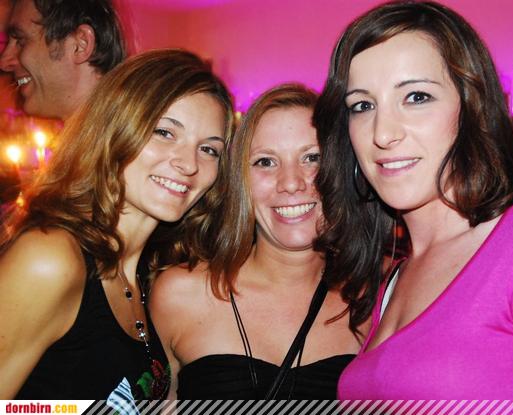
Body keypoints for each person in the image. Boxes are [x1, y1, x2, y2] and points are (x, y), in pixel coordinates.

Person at [314, 1, 513, 399]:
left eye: (417, 97)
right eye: (362, 106)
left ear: (471, 107)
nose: (382, 133)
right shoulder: (391, 279)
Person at [0, 48, 234, 401]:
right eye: (164, 132)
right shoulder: (51, 258)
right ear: (115, 129)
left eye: (209, 149)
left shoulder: (147, 275)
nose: (189, 164)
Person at [150, 84, 362, 400]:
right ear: (240, 181)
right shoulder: (180, 294)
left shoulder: (376, 297)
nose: (291, 183)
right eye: (265, 162)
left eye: (312, 157)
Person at [0, 0, 126, 120]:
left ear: (80, 45)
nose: (4, 63)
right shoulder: (113, 129)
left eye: (21, 41)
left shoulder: (128, 133)